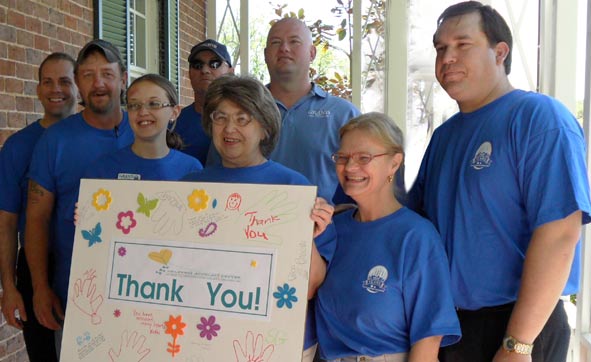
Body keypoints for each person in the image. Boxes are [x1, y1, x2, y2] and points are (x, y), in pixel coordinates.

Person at [407, 2, 591, 361]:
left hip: (517, 326)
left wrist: (517, 344)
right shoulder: (445, 136)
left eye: (463, 45)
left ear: (500, 53)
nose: (447, 58)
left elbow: (559, 234)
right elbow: (411, 221)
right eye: (440, 48)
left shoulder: (539, 119)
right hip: (451, 327)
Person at [182, 74, 335, 362]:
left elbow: (312, 286)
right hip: (202, 336)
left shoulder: (295, 190)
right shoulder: (188, 189)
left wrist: (308, 238)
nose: (229, 128)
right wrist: (95, 218)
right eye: (220, 117)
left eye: (243, 119)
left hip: (277, 340)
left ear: (264, 128)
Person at [314, 112, 460, 362]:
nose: (350, 167)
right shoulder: (333, 228)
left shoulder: (416, 237)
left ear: (394, 163)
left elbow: (429, 338)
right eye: (343, 157)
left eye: (364, 158)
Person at [24, 40, 134, 354]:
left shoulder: (145, 130)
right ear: (78, 82)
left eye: (106, 74)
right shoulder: (55, 140)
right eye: (87, 75)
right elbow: (36, 217)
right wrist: (40, 287)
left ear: (123, 78)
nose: (98, 83)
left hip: (142, 293)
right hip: (76, 294)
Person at [0, 52, 77, 362]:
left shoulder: (96, 138)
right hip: (36, 263)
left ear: (78, 87)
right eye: (47, 82)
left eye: (64, 81)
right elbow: (6, 222)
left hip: (86, 259)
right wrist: (9, 286)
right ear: (37, 89)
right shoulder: (18, 146)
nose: (55, 89)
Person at [84, 74, 202, 180]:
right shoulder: (103, 169)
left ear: (174, 112)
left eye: (154, 104)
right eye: (134, 105)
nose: (143, 112)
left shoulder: (191, 169)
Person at [175, 39, 234, 165]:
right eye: (197, 65)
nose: (205, 70)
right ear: (189, 73)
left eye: (214, 64)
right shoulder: (173, 124)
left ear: (231, 71)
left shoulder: (248, 123)